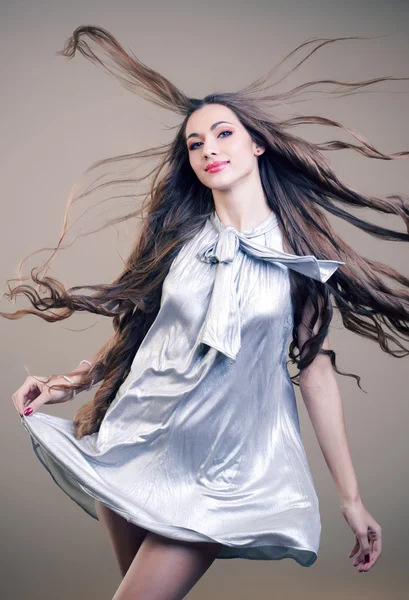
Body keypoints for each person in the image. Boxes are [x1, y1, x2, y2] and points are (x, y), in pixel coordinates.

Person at [6, 25, 409, 600]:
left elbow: (315, 376)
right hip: (136, 444)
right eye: (195, 144)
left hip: (224, 474)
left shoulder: (300, 259)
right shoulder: (179, 238)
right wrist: (67, 384)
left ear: (257, 145)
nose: (209, 149)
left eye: (223, 134)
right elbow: (140, 333)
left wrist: (351, 500)